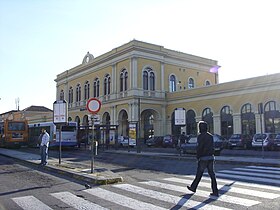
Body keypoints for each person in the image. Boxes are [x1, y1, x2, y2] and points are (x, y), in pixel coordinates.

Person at [187, 121, 219, 197]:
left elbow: (199, 147)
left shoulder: (200, 136)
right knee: (212, 175)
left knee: (199, 174)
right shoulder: (210, 136)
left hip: (203, 157)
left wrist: (198, 157)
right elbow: (212, 146)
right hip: (210, 157)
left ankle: (193, 187)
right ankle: (215, 191)